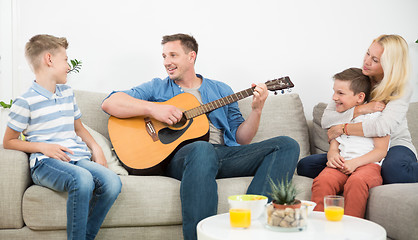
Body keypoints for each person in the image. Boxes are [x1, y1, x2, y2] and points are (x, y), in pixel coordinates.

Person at [101, 33, 300, 240]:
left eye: (173, 55)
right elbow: (110, 103)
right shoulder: (157, 87)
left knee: (287, 145)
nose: (167, 62)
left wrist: (257, 110)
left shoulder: (222, 89)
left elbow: (242, 139)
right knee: (202, 148)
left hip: (223, 156)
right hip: (181, 159)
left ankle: (251, 225)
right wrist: (153, 110)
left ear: (191, 56)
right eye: (164, 56)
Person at [3, 34, 122, 240]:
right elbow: (8, 141)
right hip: (46, 163)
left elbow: (79, 128)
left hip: (76, 157)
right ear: (49, 59)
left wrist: (97, 149)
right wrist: (43, 147)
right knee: (83, 179)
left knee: (112, 182)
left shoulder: (67, 93)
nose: (68, 65)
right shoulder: (25, 101)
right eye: (66, 59)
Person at [297, 34, 418, 184]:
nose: (366, 62)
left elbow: (382, 127)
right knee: (306, 166)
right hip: (358, 146)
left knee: (395, 172)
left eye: (375, 60)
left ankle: (373, 169)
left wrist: (342, 128)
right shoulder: (356, 78)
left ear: (389, 65)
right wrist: (361, 109)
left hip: (393, 145)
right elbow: (327, 119)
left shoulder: (401, 89)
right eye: (368, 53)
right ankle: (366, 170)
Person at [310, 67, 390, 218]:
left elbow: (381, 151)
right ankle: (318, 229)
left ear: (360, 97)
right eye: (334, 91)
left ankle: (352, 230)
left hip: (368, 165)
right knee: (323, 181)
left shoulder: (377, 116)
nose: (334, 97)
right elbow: (335, 144)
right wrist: (332, 155)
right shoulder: (340, 117)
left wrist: (355, 163)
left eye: (340, 93)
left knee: (356, 182)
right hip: (342, 163)